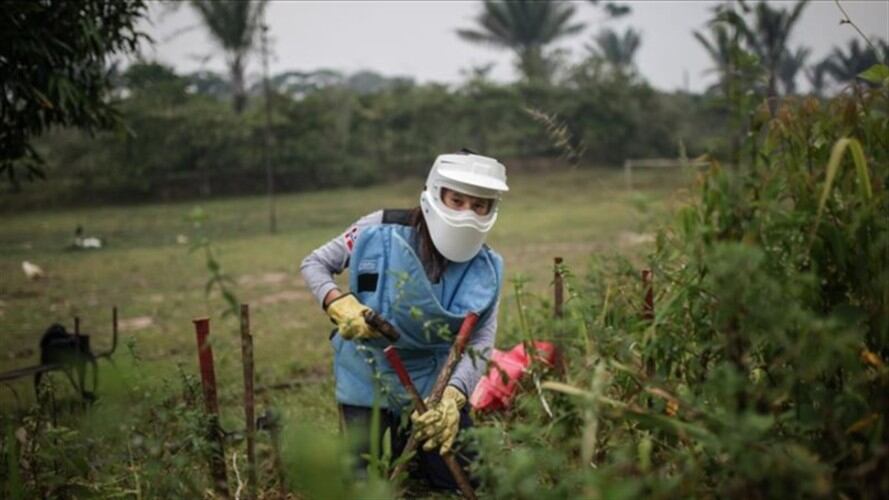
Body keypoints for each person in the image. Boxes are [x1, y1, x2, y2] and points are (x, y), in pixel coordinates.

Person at [300, 150, 508, 490]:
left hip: (434, 385)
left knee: (464, 480)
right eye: (456, 200)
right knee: (365, 484)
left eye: (479, 205)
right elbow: (314, 263)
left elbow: (481, 341)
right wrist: (336, 302)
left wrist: (455, 396)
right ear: (436, 192)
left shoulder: (487, 268)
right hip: (366, 375)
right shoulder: (377, 228)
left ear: (491, 209)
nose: (467, 214)